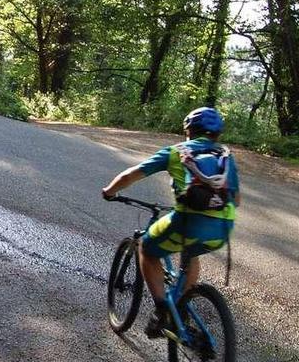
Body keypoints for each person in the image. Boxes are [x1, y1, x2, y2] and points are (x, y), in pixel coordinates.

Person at [101, 107, 240, 338]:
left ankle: (162, 310)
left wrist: (109, 191)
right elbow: (236, 200)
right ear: (216, 134)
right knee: (190, 251)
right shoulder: (225, 157)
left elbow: (131, 175)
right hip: (222, 230)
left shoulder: (176, 152)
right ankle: (181, 306)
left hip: (188, 223)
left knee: (147, 247)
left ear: (189, 131)